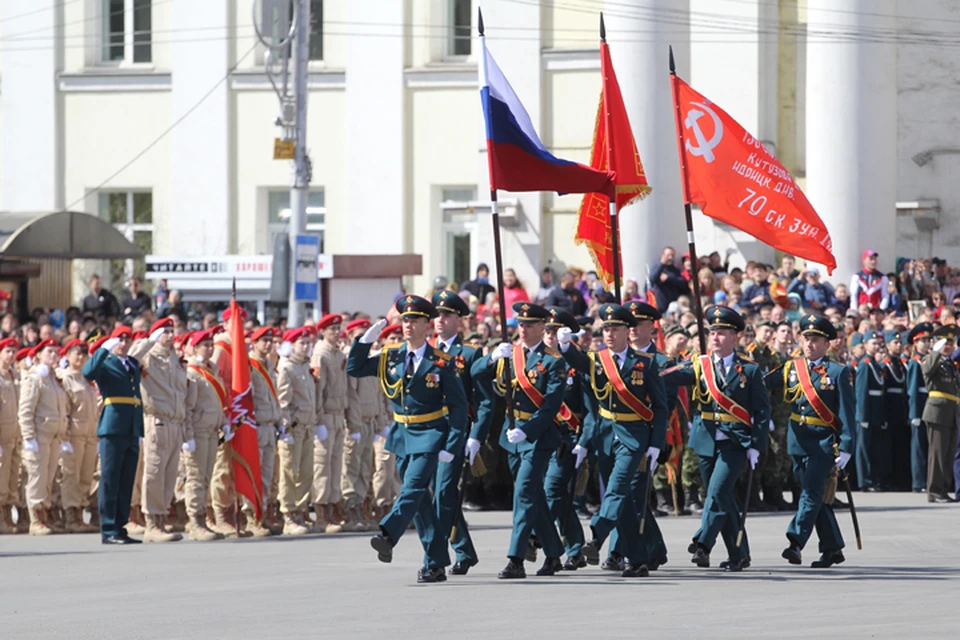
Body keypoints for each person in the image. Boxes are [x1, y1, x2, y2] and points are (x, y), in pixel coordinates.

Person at [349, 296, 468, 584]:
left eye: (414, 320)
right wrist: (363, 342)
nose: (408, 325)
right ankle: (436, 563)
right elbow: (354, 368)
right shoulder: (392, 356)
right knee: (421, 502)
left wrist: (453, 445)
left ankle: (388, 535)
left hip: (430, 435)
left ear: (428, 325)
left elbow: (459, 406)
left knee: (413, 488)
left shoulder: (442, 362)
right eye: (404, 319)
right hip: (402, 435)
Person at [559, 304, 668, 578]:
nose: (609, 334)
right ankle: (639, 559)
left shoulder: (645, 362)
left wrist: (656, 443)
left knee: (617, 490)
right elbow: (578, 361)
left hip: (634, 437)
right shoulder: (597, 359)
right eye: (606, 328)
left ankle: (596, 538)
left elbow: (660, 406)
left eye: (615, 329)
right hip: (606, 436)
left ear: (626, 332)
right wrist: (564, 344)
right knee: (626, 501)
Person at [662, 306, 770, 571]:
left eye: (721, 333)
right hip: (706, 440)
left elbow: (762, 411)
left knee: (717, 492)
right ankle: (738, 554)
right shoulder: (701, 365)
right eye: (712, 333)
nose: (715, 338)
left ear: (735, 337)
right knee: (723, 500)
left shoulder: (750, 370)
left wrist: (757, 444)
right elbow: (670, 376)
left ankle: (703, 543)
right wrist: (657, 360)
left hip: (734, 442)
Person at [472, 302, 567, 579]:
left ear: (541, 327)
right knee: (534, 496)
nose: (523, 330)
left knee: (523, 493)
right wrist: (490, 358)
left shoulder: (553, 361)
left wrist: (529, 430)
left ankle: (516, 558)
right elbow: (474, 373)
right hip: (510, 435)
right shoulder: (509, 354)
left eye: (529, 325)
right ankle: (553, 553)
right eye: (520, 325)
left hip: (537, 436)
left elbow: (550, 406)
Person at [774, 314, 856, 567]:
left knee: (810, 494)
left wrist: (846, 446)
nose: (809, 344)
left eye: (816, 339)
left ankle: (795, 542)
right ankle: (832, 548)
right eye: (806, 338)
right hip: (798, 440)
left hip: (822, 443)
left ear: (827, 344)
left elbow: (847, 414)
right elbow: (761, 383)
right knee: (815, 496)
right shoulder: (791, 367)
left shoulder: (838, 372)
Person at [431, 290, 493, 575]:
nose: (440, 320)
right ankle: (464, 550)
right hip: (427, 431)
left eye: (447, 315)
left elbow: (484, 400)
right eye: (437, 315)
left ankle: (436, 557)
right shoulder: (425, 350)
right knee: (442, 495)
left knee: (444, 493)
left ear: (459, 321)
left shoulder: (469, 354)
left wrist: (475, 436)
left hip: (456, 433)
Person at [82, 326, 145, 544]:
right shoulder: (105, 362)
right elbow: (87, 372)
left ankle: (120, 526)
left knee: (126, 479)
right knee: (110, 479)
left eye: (128, 340)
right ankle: (108, 529)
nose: (125, 343)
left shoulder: (132, 365)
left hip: (131, 427)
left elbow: (137, 397)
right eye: (120, 339)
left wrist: (139, 429)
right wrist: (103, 349)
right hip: (112, 426)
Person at [129, 317, 187, 542]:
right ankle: (151, 522)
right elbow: (129, 358)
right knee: (154, 472)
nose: (171, 336)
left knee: (170, 474)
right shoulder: (148, 355)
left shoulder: (174, 357)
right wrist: (147, 341)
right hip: (157, 420)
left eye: (172, 331)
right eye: (165, 332)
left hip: (175, 422)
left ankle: (162, 519)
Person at [540, 306, 588, 570]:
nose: (550, 335)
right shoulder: (537, 360)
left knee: (552, 491)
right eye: (547, 329)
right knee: (554, 495)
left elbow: (589, 407)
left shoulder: (576, 362)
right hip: (539, 435)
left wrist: (584, 440)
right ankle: (574, 547)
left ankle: (547, 546)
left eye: (556, 330)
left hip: (568, 437)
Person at [18, 338, 69, 535]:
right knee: (37, 477)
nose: (54, 355)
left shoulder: (54, 379)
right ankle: (35, 520)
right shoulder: (34, 378)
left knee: (48, 478)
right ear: (38, 355)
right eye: (49, 352)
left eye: (56, 352)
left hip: (54, 436)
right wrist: (29, 437)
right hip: (39, 436)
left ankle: (45, 515)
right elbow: (25, 410)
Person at [182, 329, 228, 541]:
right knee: (196, 478)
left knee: (206, 477)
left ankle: (203, 519)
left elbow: (219, 402)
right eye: (205, 345)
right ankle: (195, 521)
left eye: (211, 345)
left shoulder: (213, 370)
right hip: (198, 431)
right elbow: (188, 408)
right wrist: (188, 435)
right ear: (195, 347)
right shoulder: (192, 372)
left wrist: (224, 423)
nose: (210, 349)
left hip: (211, 430)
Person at [276, 327, 317, 535]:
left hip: (308, 426)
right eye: (301, 343)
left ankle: (300, 510)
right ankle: (288, 514)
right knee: (289, 473)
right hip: (294, 428)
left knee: (306, 472)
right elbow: (283, 401)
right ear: (290, 345)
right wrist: (285, 429)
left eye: (307, 342)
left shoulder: (304, 366)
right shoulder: (287, 367)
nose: (306, 346)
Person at [58, 339, 100, 533]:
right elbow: (64, 411)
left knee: (85, 477)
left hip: (90, 434)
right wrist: (64, 438)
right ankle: (71, 516)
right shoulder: (65, 379)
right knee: (71, 477)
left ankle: (80, 512)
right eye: (77, 353)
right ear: (67, 356)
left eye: (84, 353)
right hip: (73, 435)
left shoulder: (87, 379)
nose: (81, 356)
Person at [341, 319, 379, 532]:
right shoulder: (352, 359)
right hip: (356, 422)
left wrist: (378, 421)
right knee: (351, 468)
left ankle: (363, 506)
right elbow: (351, 395)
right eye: (360, 334)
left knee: (365, 467)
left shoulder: (371, 358)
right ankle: (350, 507)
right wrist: (353, 425)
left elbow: (377, 394)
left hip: (369, 420)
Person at [248, 326, 282, 533]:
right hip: (257, 426)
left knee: (267, 476)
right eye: (263, 340)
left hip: (270, 426)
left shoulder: (269, 365)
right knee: (255, 474)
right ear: (254, 343)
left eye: (270, 340)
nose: (268, 344)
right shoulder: (250, 366)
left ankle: (262, 514)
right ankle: (251, 517)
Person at [921, 325, 960, 503]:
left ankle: (943, 489)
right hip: (937, 412)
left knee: (948, 453)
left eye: (951, 343)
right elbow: (927, 371)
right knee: (937, 454)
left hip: (951, 412)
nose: (949, 346)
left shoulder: (950, 364)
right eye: (946, 343)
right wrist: (935, 352)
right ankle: (934, 490)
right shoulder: (932, 360)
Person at [855, 330, 887, 492]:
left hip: (875, 411)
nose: (876, 346)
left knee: (874, 447)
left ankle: (873, 479)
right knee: (863, 448)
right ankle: (864, 481)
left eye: (878, 344)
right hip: (866, 412)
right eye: (873, 343)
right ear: (865, 345)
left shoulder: (874, 364)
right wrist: (862, 415)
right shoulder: (864, 365)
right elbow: (861, 391)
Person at [882, 330, 911, 491]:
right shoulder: (885, 365)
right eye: (895, 343)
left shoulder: (900, 364)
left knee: (901, 445)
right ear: (887, 345)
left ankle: (901, 479)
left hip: (901, 408)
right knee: (890, 446)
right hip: (891, 408)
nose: (899, 345)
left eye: (900, 343)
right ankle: (891, 479)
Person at [906, 323, 932, 493]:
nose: (926, 343)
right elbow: (913, 389)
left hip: (928, 405)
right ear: (915, 343)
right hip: (920, 406)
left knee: (927, 445)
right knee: (919, 447)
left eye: (928, 339)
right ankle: (919, 482)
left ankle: (926, 481)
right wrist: (914, 413)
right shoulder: (915, 362)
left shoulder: (926, 360)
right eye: (922, 340)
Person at [0, 337, 20, 533]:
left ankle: (7, 515)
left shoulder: (15, 376)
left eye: (14, 351)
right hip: (2, 436)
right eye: (7, 351)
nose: (11, 355)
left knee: (12, 479)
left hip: (14, 436)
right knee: (1, 478)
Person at [650, 247, 688, 313]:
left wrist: (668, 278)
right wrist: (662, 264)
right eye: (668, 255)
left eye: (672, 256)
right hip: (660, 306)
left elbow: (683, 284)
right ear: (663, 255)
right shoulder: (657, 268)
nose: (670, 258)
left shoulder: (675, 271)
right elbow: (653, 279)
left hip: (674, 307)